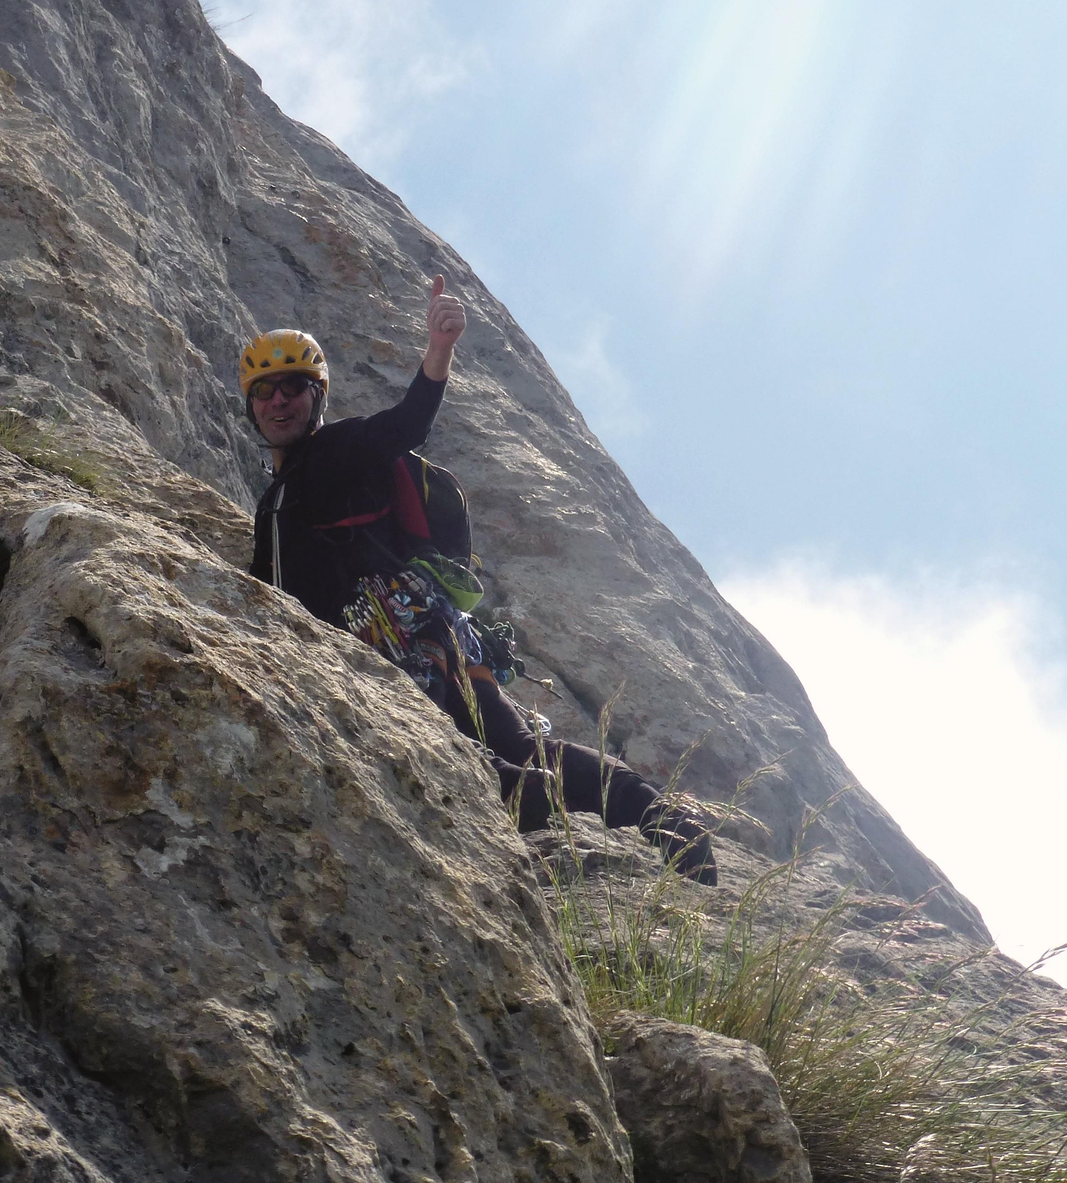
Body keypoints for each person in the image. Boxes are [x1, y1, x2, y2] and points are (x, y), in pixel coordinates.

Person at [243, 278, 717, 884]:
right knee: (514, 749)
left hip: (398, 645)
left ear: (318, 398)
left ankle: (596, 805)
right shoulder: (274, 505)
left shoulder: (336, 450)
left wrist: (438, 351)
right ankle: (649, 812)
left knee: (456, 754)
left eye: (292, 388)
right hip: (436, 639)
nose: (277, 403)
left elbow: (405, 426)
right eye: (263, 393)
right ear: (249, 405)